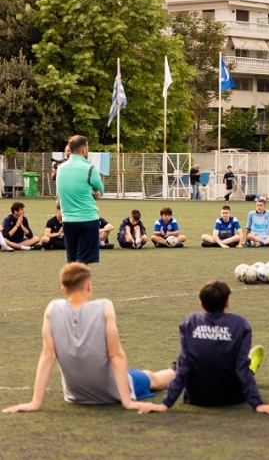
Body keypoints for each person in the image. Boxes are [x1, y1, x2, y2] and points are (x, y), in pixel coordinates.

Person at [2, 263, 174, 414]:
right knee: (151, 378)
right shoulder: (105, 307)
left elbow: (47, 356)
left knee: (137, 374)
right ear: (89, 286)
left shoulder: (51, 309)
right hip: (111, 392)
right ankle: (179, 370)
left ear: (63, 290)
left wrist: (35, 403)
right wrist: (127, 401)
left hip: (75, 396)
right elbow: (116, 355)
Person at [137, 281, 269, 416]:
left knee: (180, 362)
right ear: (227, 303)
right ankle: (252, 366)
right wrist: (258, 404)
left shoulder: (190, 323)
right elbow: (241, 368)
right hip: (233, 398)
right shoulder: (240, 324)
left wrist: (165, 404)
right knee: (243, 364)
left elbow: (184, 368)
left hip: (197, 398)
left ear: (200, 303)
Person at [56, 135, 103, 264]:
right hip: (87, 219)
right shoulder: (90, 168)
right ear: (83, 149)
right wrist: (96, 193)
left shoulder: (60, 169)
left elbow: (61, 191)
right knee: (83, 263)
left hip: (68, 221)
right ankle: (81, 285)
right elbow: (100, 190)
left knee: (72, 263)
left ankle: (69, 284)